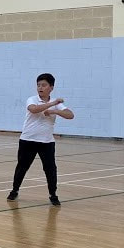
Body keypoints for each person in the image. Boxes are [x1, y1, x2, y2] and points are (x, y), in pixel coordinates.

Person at [7, 73, 74, 206]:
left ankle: (53, 195)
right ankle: (14, 190)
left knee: (50, 169)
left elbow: (70, 115)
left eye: (43, 85)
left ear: (51, 87)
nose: (40, 88)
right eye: (38, 85)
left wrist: (55, 111)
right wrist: (52, 104)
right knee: (22, 167)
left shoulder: (56, 105)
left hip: (47, 142)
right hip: (28, 140)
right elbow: (33, 110)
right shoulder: (32, 99)